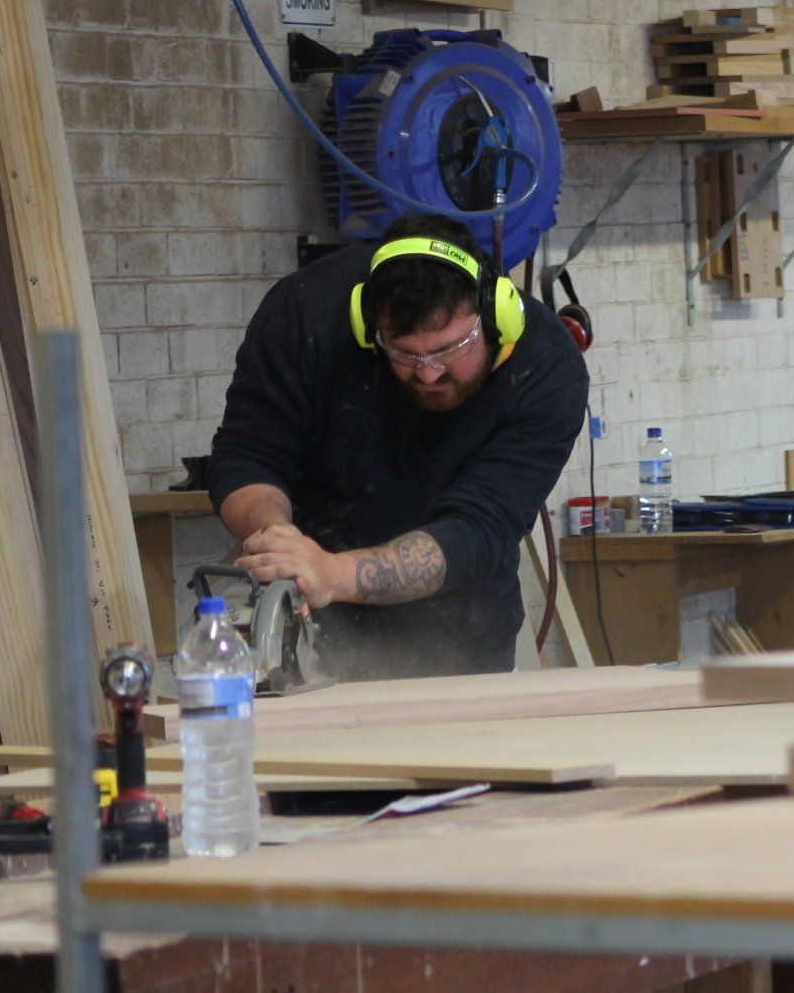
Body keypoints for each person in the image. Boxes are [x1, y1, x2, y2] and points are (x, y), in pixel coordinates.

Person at [208, 213, 589, 680]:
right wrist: (278, 541)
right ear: (369, 325)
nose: (428, 373)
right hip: (305, 628)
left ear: (496, 316)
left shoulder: (546, 367)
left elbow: (477, 529)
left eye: (451, 349)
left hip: (458, 643)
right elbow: (247, 454)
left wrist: (333, 574)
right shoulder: (305, 313)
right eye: (405, 353)